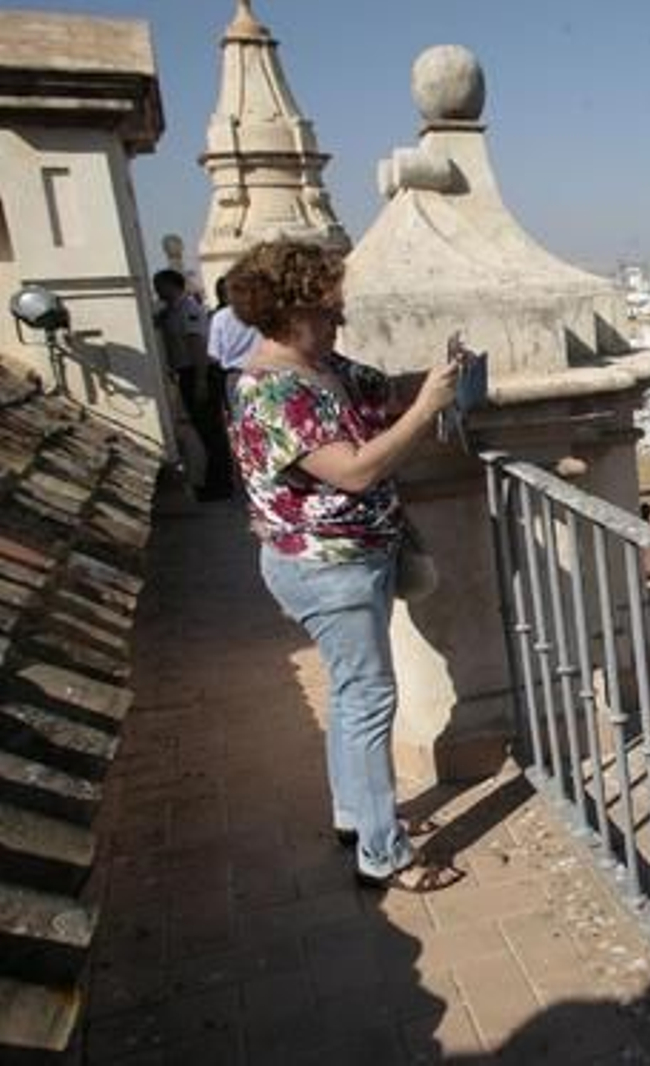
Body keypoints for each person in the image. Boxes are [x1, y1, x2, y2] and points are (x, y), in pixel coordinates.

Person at [226, 239, 464, 893]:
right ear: (291, 309)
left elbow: (382, 393)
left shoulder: (320, 367)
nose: (340, 318)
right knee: (368, 699)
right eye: (329, 309)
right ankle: (382, 855)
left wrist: (437, 383)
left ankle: (356, 818)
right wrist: (427, 411)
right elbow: (355, 470)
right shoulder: (273, 392)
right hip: (328, 567)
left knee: (355, 694)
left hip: (351, 558)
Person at [154, 269, 233, 500]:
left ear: (172, 285)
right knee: (204, 430)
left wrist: (200, 382)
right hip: (189, 373)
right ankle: (214, 482)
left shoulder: (188, 310)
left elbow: (196, 346)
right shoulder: (173, 311)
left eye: (160, 286)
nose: (157, 291)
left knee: (210, 431)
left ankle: (220, 486)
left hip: (199, 373)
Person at [208, 272, 261, 408]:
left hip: (235, 376)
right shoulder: (259, 312)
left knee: (241, 421)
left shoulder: (219, 317)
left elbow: (214, 355)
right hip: (263, 373)